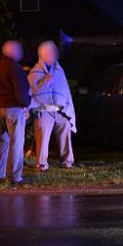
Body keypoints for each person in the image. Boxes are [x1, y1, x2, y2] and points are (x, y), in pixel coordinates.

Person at [0, 40, 30, 184]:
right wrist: (25, 104)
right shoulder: (15, 68)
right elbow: (21, 90)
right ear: (13, 52)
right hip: (14, 108)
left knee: (2, 141)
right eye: (19, 50)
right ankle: (15, 177)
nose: (21, 53)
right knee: (16, 142)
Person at [28, 41, 76, 171]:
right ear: (41, 54)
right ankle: (41, 164)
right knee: (42, 137)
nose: (52, 54)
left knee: (65, 131)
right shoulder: (34, 73)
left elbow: (64, 91)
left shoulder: (59, 71)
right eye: (49, 52)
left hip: (59, 110)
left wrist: (67, 108)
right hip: (43, 111)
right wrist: (44, 81)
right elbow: (32, 92)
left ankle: (67, 162)